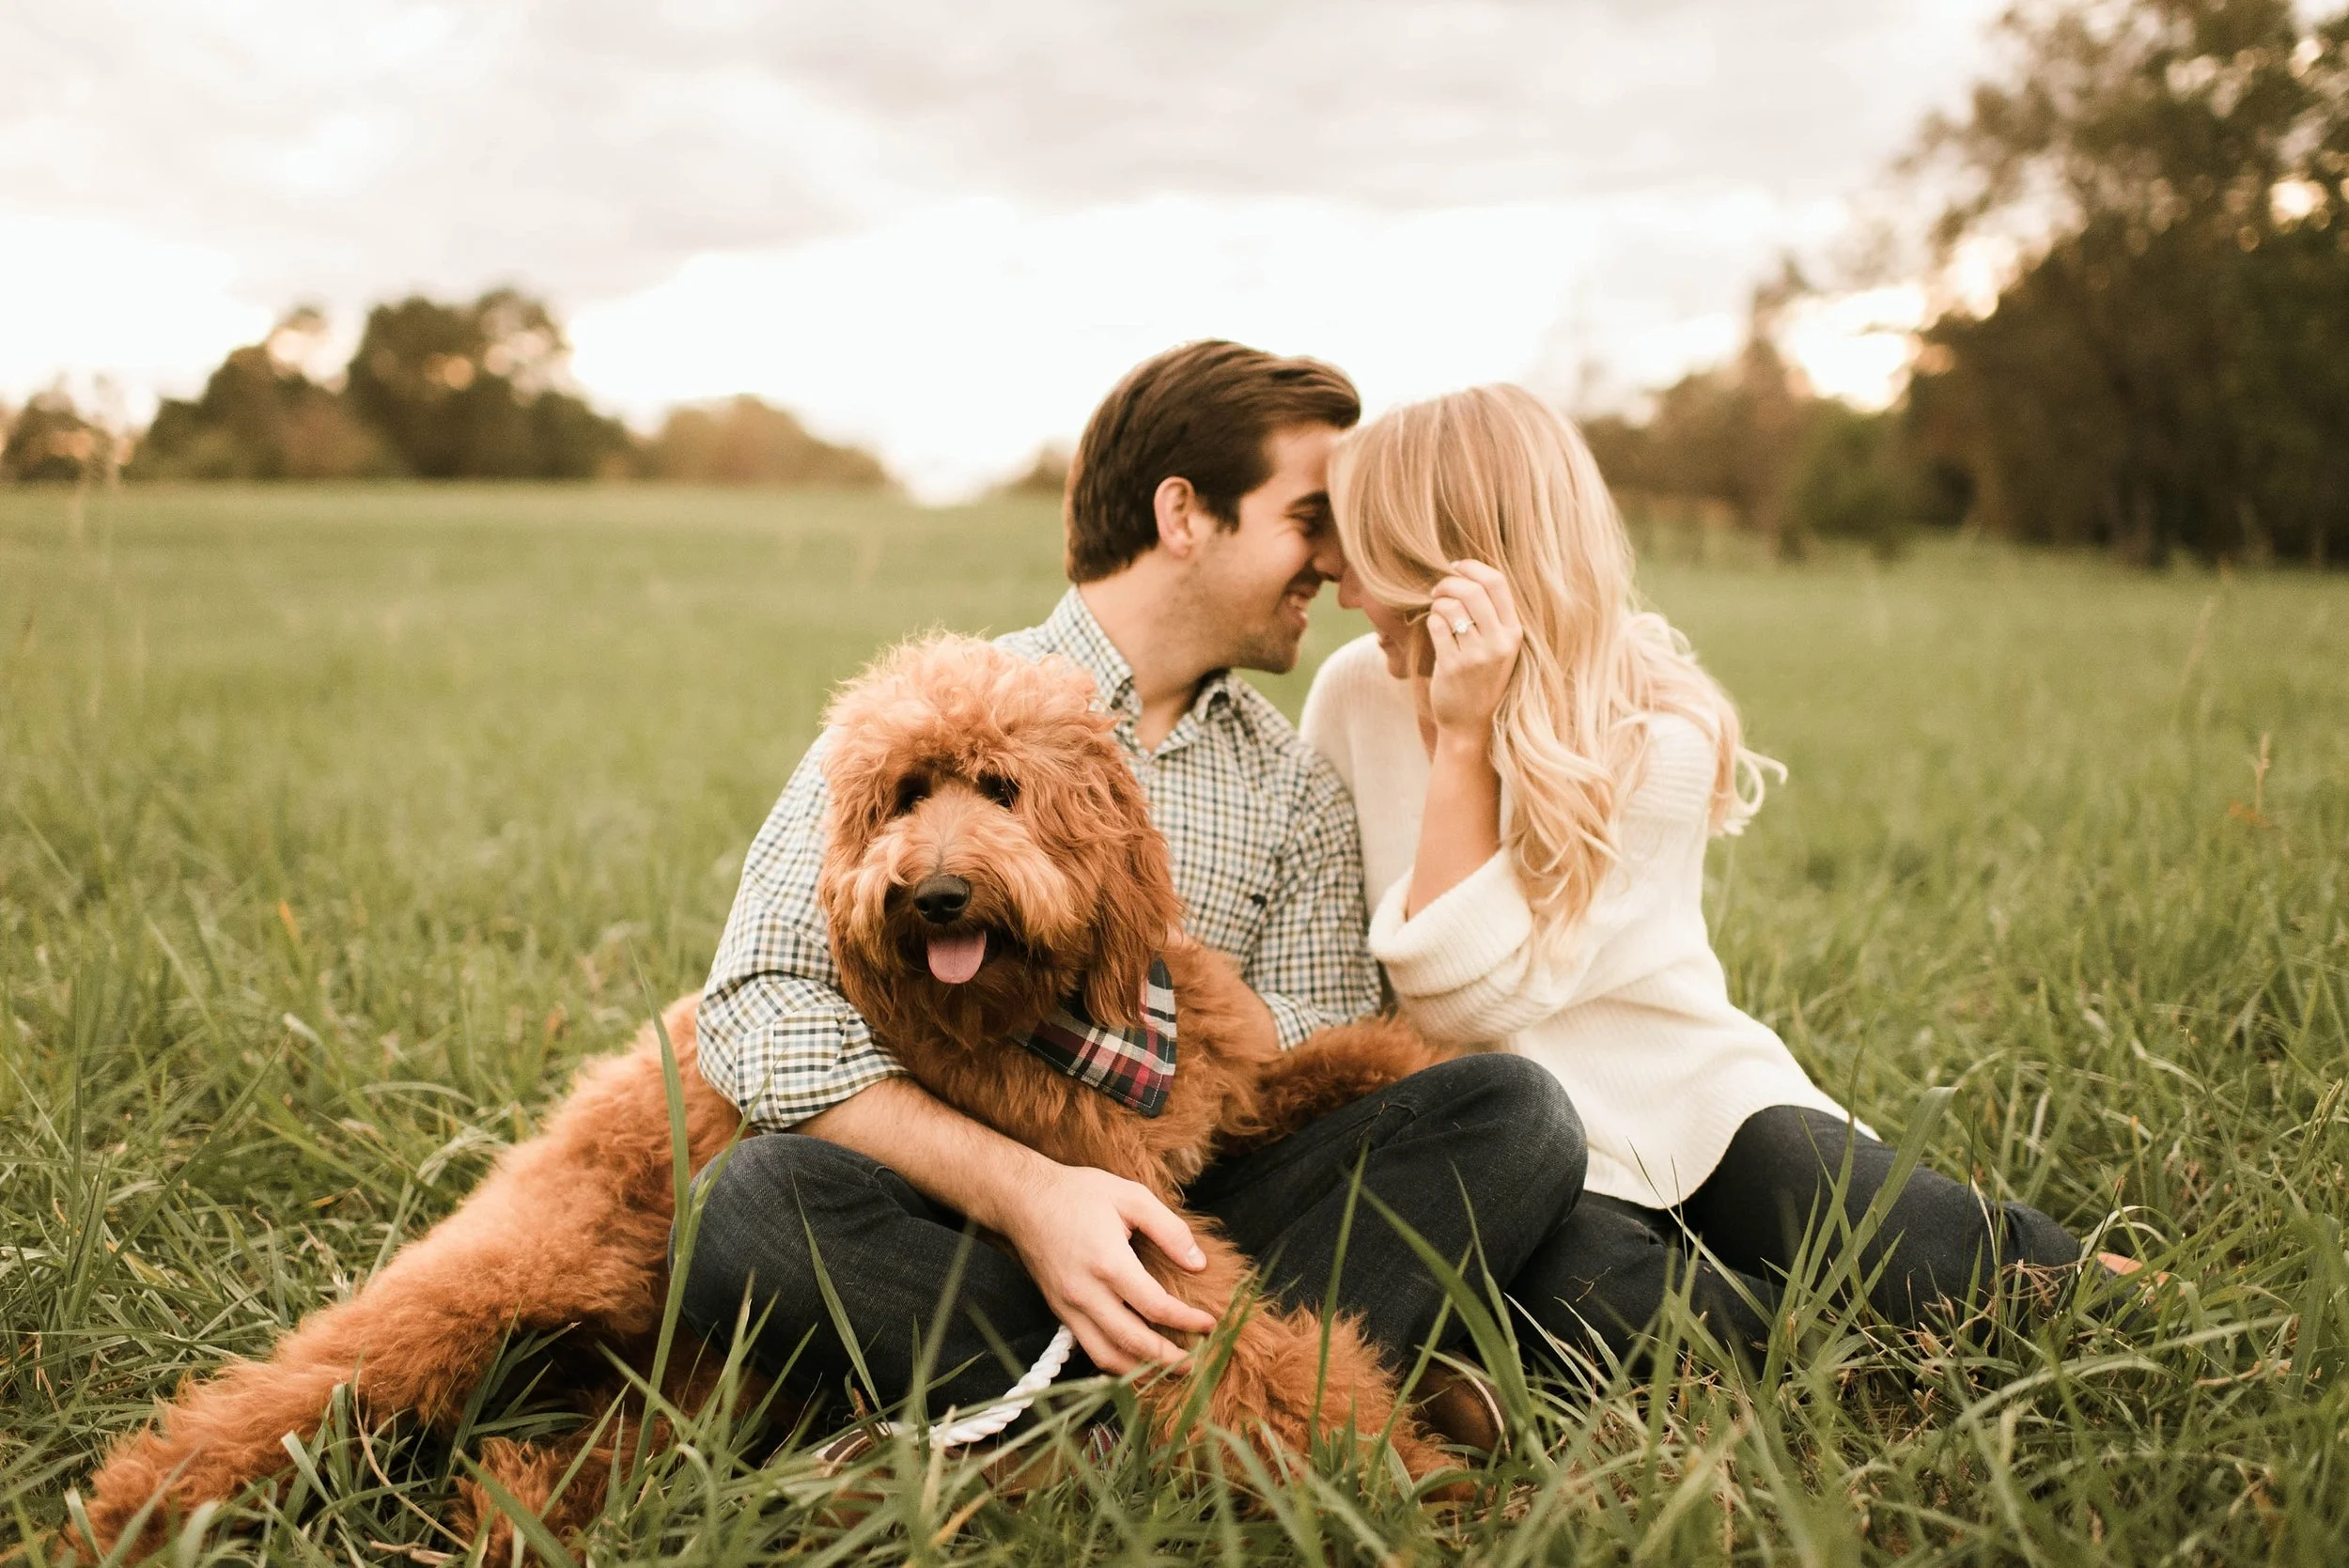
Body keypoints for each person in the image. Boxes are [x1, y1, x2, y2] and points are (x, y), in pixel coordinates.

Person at [678, 345, 1587, 1432]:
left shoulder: (1286, 781)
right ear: (1183, 515)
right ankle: (1217, 1417)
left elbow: (1327, 1021)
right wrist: (1030, 1191)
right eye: (1309, 520)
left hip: (1195, 1197)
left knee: (1513, 1115)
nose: (1335, 568)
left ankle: (1053, 1423)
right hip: (958, 1211)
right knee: (754, 1210)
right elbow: (755, 1006)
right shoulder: (912, 720)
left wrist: (1199, 1024)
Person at [1301, 383, 2108, 1374]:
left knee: (1916, 1247)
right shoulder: (1352, 694)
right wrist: (1456, 732)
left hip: (1687, 1092)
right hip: (1511, 1142)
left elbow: (1471, 995)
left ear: (1455, 565)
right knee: (1601, 1302)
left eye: (1365, 553)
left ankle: (2127, 1297)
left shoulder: (1655, 731)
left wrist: (1464, 735)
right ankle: (1833, 1358)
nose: (1339, 586)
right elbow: (1456, 1027)